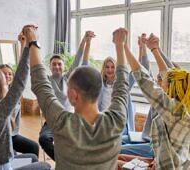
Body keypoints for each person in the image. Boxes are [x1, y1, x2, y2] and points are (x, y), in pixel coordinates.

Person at [24, 25, 129, 169]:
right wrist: (120, 45)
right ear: (98, 91)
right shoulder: (116, 120)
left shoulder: (62, 122)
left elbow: (39, 83)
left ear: (73, 95)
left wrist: (32, 42)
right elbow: (122, 86)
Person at [123, 29, 190, 169]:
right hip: (173, 163)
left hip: (166, 166)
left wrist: (123, 46)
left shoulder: (174, 111)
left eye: (164, 79)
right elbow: (170, 74)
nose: (161, 79)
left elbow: (144, 78)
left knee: (115, 158)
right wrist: (155, 49)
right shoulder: (184, 109)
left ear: (172, 86)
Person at [0, 29, 50, 170]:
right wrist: (31, 44)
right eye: (4, 82)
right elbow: (21, 79)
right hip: (2, 166)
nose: (7, 82)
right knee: (45, 166)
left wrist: (24, 45)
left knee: (33, 157)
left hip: (2, 160)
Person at [38, 31, 94, 160]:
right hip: (52, 122)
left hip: (70, 120)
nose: (57, 66)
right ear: (50, 66)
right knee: (43, 139)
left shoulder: (68, 78)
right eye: (54, 64)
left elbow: (77, 60)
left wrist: (84, 41)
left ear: (63, 66)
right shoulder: (46, 80)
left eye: (59, 64)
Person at [0, 33, 39, 157]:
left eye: (10, 74)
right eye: (4, 74)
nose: (7, 76)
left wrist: (23, 45)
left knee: (33, 147)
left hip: (13, 134)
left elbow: (21, 70)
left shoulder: (12, 91)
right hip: (1, 138)